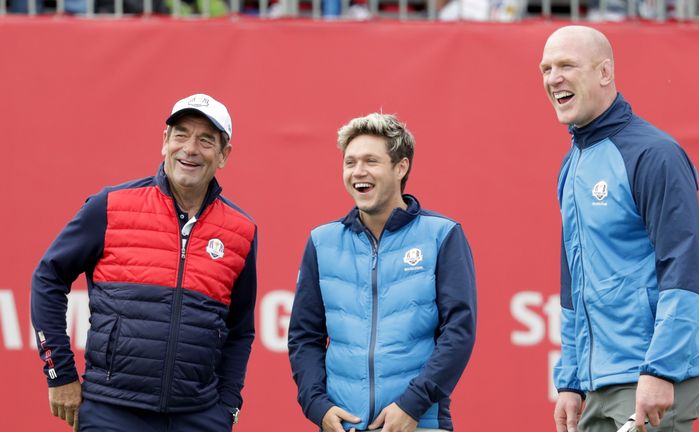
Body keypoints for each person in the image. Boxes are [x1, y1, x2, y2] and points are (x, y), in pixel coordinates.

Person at [31, 93, 257, 431]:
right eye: (181, 134)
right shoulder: (110, 206)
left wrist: (227, 407)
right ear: (164, 141)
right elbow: (48, 277)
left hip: (199, 416)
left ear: (224, 155)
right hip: (111, 411)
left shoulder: (241, 230)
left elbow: (240, 331)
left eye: (206, 140)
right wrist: (59, 373)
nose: (190, 148)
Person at [539, 26, 699, 432]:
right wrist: (569, 378)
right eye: (546, 69)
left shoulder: (655, 154)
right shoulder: (572, 164)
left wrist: (660, 368)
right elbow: (574, 281)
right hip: (597, 380)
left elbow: (682, 270)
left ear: (605, 73)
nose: (553, 79)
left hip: (650, 372)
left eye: (567, 65)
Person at [288, 113, 476, 432]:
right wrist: (317, 406)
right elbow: (304, 336)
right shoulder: (322, 242)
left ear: (400, 167)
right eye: (350, 162)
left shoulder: (442, 235)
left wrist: (411, 406)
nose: (358, 172)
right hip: (343, 426)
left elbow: (458, 333)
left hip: (419, 423)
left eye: (371, 161)